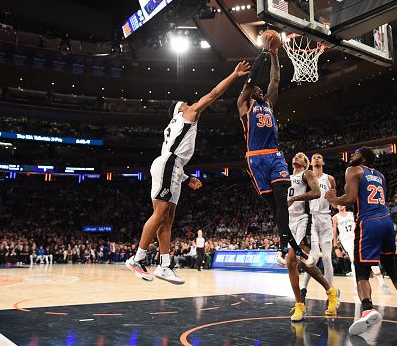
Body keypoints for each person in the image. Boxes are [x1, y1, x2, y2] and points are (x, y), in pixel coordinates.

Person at [126, 61, 250, 284]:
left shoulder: (176, 125)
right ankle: (138, 258)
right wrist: (234, 75)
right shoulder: (187, 114)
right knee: (159, 214)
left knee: (167, 218)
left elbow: (173, 158)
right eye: (186, 103)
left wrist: (186, 177)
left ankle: (165, 265)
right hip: (168, 165)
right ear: (180, 109)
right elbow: (212, 95)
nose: (191, 104)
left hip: (172, 167)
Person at [325, 147, 397, 335]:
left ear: (363, 157)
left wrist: (333, 199)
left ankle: (368, 308)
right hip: (386, 221)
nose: (352, 155)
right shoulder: (381, 176)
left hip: (368, 222)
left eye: (355, 153)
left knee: (361, 268)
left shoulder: (353, 170)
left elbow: (351, 198)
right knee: (391, 268)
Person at [237, 36, 310, 266]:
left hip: (275, 155)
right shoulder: (244, 105)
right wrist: (262, 53)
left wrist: (275, 54)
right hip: (256, 159)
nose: (259, 89)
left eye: (260, 88)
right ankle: (292, 246)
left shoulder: (268, 104)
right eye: (254, 88)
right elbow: (250, 82)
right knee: (274, 207)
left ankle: (283, 247)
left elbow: (275, 79)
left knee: (281, 201)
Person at [286, 152, 340, 321]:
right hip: (290, 221)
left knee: (305, 259)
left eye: (301, 156)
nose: (297, 157)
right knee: (292, 263)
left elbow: (317, 193)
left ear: (306, 163)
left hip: (307, 219)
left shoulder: (308, 174)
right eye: (295, 155)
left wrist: (295, 198)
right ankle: (307, 300)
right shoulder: (287, 177)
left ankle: (316, 297)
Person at [300, 153, 338, 298]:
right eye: (314, 157)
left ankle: (331, 294)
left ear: (323, 162)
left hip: (325, 217)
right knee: (312, 258)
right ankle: (303, 289)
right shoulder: (306, 179)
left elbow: (334, 203)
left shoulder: (330, 179)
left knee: (327, 258)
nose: (316, 158)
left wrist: (333, 200)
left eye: (319, 157)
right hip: (311, 219)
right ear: (310, 162)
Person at [332, 205, 390, 292]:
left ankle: (382, 282)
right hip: (346, 240)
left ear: (345, 205)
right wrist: (336, 246)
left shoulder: (351, 214)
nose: (340, 205)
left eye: (342, 203)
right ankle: (357, 284)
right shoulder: (335, 217)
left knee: (368, 257)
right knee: (354, 259)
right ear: (336, 207)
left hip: (357, 237)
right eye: (338, 204)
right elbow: (334, 233)